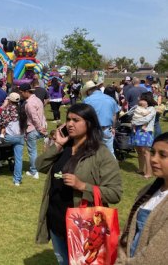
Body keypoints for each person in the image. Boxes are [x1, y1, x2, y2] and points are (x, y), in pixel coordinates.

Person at [35, 103, 122, 265]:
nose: (70, 124)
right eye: (68, 119)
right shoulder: (65, 146)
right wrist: (58, 145)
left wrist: (82, 186)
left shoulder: (101, 153)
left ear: (89, 123)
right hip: (56, 222)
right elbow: (40, 165)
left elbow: (115, 193)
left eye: (76, 120)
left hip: (83, 226)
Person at [116, 133, 168, 264]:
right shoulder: (147, 191)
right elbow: (129, 233)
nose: (154, 159)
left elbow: (154, 257)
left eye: (163, 155)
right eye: (152, 152)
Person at [83, 80, 120, 157]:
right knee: (110, 152)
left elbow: (84, 116)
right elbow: (114, 115)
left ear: (89, 91)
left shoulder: (87, 100)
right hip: (107, 129)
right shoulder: (110, 99)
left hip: (93, 130)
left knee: (92, 152)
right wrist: (113, 127)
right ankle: (112, 167)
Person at [20, 83, 47, 180]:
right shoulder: (38, 99)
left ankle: (34, 171)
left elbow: (34, 118)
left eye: (22, 93)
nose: (21, 95)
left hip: (33, 129)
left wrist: (40, 129)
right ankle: (35, 169)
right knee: (34, 151)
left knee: (32, 151)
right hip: (41, 127)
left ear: (27, 92)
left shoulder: (29, 104)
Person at [0, 92, 27, 186]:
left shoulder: (6, 110)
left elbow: (2, 125)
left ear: (9, 100)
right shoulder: (22, 110)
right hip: (20, 136)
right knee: (19, 159)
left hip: (9, 137)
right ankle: (17, 180)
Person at [130, 92, 157, 179]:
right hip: (137, 131)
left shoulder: (152, 109)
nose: (139, 100)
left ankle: (149, 172)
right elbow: (132, 114)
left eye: (141, 98)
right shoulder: (139, 107)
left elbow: (145, 119)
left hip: (146, 132)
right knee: (139, 151)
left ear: (146, 100)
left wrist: (134, 122)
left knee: (146, 152)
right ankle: (141, 169)